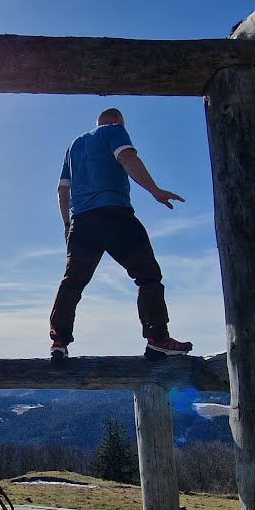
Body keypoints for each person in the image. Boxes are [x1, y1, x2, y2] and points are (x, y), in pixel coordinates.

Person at [49, 108, 193, 361]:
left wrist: (66, 224)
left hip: (81, 222)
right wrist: (155, 190)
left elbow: (62, 190)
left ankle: (59, 341)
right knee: (147, 275)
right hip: (114, 215)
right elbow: (127, 159)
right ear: (118, 121)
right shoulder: (114, 130)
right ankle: (157, 339)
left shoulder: (74, 145)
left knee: (73, 282)